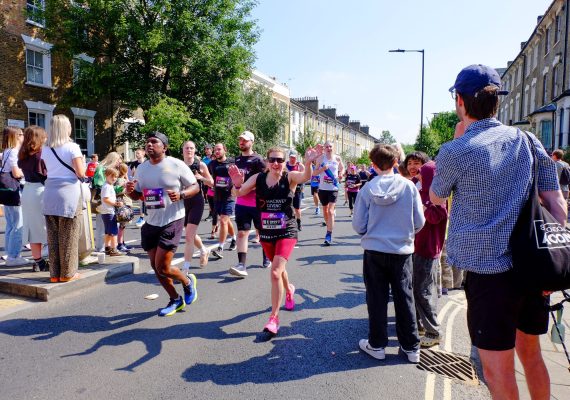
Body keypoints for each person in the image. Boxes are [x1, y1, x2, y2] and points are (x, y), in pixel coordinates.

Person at [430, 64, 567, 399]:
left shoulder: (456, 150)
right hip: (533, 268)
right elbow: (557, 206)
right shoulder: (529, 139)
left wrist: (456, 141)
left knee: (497, 370)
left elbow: (436, 197)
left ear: (459, 102)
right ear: (497, 102)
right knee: (531, 356)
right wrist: (555, 261)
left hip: (489, 275)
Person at [229, 145, 320, 334]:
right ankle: (289, 290)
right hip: (266, 231)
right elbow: (237, 194)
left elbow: (306, 177)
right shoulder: (258, 178)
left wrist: (309, 162)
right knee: (279, 269)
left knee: (275, 272)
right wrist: (237, 184)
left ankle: (274, 318)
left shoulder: (290, 177)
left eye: (280, 160)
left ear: (284, 162)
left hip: (287, 230)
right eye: (272, 160)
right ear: (267, 162)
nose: (276, 163)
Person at [352, 144, 425, 363]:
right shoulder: (409, 187)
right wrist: (404, 233)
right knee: (404, 297)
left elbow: (358, 225)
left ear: (373, 165)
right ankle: (411, 347)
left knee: (376, 299)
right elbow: (420, 222)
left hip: (374, 251)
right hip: (402, 251)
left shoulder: (366, 189)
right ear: (396, 163)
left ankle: (377, 345)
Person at [125, 132, 199, 317]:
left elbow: (195, 187)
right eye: (147, 142)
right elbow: (139, 195)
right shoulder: (141, 168)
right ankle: (175, 299)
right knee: (155, 266)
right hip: (151, 221)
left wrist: (181, 195)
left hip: (172, 219)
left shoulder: (176, 164)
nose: (149, 145)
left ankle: (187, 281)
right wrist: (130, 192)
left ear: (164, 147)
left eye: (154, 142)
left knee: (163, 267)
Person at [41, 115, 86, 282]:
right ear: (66, 128)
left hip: (50, 191)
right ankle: (68, 273)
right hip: (68, 193)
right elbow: (80, 173)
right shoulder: (73, 147)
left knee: (53, 236)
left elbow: (46, 170)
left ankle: (55, 274)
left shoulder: (45, 149)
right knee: (69, 235)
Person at [413, 161, 447, 347]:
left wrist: (422, 205)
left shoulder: (436, 196)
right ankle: (420, 326)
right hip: (418, 246)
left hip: (428, 249)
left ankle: (433, 332)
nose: (418, 176)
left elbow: (436, 217)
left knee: (423, 291)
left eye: (421, 174)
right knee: (417, 288)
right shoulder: (423, 192)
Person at [229, 131, 269, 277]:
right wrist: (237, 185)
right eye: (240, 140)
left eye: (245, 140)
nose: (241, 142)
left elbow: (265, 181)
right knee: (242, 233)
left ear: (252, 142)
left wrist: (247, 187)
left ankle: (266, 256)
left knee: (263, 233)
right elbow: (234, 184)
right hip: (241, 203)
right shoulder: (237, 160)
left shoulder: (258, 160)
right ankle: (242, 265)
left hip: (258, 203)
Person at [18, 126, 48, 272]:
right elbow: (47, 175)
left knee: (32, 228)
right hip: (40, 191)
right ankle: (46, 260)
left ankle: (38, 260)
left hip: (27, 191)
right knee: (45, 227)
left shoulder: (23, 154)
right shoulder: (40, 155)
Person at [181, 140, 213, 270]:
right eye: (186, 148)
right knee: (190, 233)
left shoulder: (200, 165)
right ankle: (204, 250)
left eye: (191, 148)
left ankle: (185, 269)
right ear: (182, 150)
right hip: (182, 202)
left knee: (188, 236)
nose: (189, 150)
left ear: (195, 150)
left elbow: (211, 183)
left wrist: (202, 178)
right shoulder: (178, 165)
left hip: (196, 201)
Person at [1, 127, 29, 266]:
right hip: (14, 191)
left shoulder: (6, 151)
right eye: (22, 134)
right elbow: (17, 173)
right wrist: (27, 171)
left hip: (6, 192)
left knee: (11, 225)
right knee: (18, 225)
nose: (24, 136)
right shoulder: (13, 152)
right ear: (17, 136)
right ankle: (14, 256)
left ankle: (10, 253)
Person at [208, 143, 237, 260]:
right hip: (217, 197)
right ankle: (234, 238)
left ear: (225, 150)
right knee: (226, 220)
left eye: (219, 149)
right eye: (215, 150)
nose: (217, 151)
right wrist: (209, 182)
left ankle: (220, 248)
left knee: (223, 221)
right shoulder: (212, 164)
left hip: (229, 197)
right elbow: (208, 176)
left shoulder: (232, 163)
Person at [313, 141, 344, 245]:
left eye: (330, 146)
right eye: (327, 146)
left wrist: (341, 174)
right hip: (322, 189)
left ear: (333, 147)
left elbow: (342, 168)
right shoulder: (321, 159)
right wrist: (322, 169)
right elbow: (314, 173)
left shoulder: (337, 158)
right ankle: (328, 224)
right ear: (324, 148)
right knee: (325, 211)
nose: (329, 148)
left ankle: (328, 234)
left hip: (333, 188)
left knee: (330, 211)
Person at [92, 151, 123, 252]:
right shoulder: (102, 169)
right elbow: (99, 184)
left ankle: (106, 247)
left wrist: (119, 187)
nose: (120, 162)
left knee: (106, 228)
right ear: (113, 159)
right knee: (104, 227)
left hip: (105, 203)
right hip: (102, 203)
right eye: (119, 160)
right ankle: (103, 248)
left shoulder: (110, 172)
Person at [99, 168, 124, 256]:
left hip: (106, 212)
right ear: (106, 175)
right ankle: (114, 249)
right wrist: (116, 203)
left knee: (108, 232)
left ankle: (107, 248)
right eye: (112, 176)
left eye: (116, 177)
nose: (114, 178)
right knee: (114, 232)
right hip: (109, 212)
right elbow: (106, 199)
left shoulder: (108, 185)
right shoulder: (107, 186)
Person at [286, 150, 305, 231]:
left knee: (297, 208)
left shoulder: (300, 166)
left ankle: (299, 222)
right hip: (287, 189)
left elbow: (304, 176)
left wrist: (302, 186)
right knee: (287, 207)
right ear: (289, 157)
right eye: (291, 157)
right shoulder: (285, 165)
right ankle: (288, 222)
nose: (292, 159)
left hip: (297, 189)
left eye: (294, 157)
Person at [115, 163, 133, 252]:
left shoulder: (122, 179)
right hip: (123, 204)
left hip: (125, 203)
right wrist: (125, 188)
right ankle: (120, 244)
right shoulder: (120, 181)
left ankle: (122, 242)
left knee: (123, 225)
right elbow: (119, 192)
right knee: (122, 225)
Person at [128, 149, 147, 227]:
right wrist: (132, 176)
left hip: (148, 185)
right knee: (141, 203)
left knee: (149, 202)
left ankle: (150, 218)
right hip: (138, 186)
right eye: (136, 153)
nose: (137, 155)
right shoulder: (133, 164)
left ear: (143, 154)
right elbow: (129, 175)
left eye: (138, 153)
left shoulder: (147, 163)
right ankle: (142, 218)